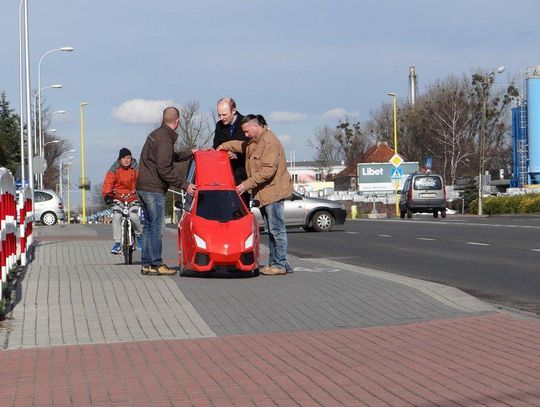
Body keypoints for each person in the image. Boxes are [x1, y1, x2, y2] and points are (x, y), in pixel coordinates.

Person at [218, 114, 293, 275]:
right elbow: (241, 145)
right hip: (265, 194)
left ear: (256, 127)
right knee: (271, 230)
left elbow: (267, 171)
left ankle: (279, 264)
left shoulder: (269, 143)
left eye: (246, 131)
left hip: (274, 192)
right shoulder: (254, 142)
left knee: (277, 230)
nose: (245, 135)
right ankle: (276, 263)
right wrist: (223, 146)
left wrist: (245, 185)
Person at [137, 107, 196, 276]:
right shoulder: (164, 139)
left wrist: (189, 154)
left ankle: (147, 263)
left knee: (148, 226)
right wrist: (184, 185)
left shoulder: (157, 135)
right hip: (154, 188)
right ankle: (157, 263)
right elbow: (164, 168)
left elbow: (167, 157)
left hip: (143, 186)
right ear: (177, 122)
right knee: (156, 227)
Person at [101, 148, 142, 254]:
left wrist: (142, 195)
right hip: (118, 197)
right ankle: (117, 243)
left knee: (133, 216)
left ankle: (139, 236)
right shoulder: (114, 169)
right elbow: (108, 182)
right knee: (117, 216)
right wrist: (108, 196)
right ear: (120, 159)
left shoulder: (136, 169)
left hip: (132, 197)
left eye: (128, 157)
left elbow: (142, 182)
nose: (126, 160)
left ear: (131, 158)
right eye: (124, 158)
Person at [213, 97, 250, 207]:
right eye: (219, 115)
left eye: (224, 114)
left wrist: (237, 155)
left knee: (242, 208)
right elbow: (216, 146)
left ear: (233, 111)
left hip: (242, 175)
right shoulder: (219, 126)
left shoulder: (246, 123)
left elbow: (251, 147)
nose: (221, 118)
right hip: (224, 176)